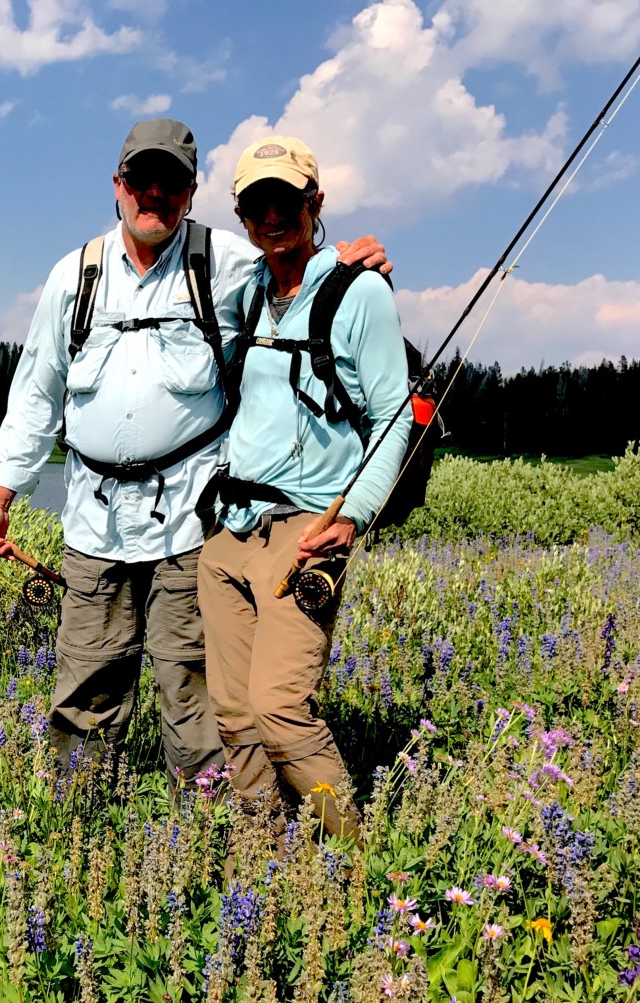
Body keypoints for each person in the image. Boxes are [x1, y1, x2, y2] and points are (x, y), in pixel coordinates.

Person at [0, 118, 388, 781]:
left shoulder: (226, 264)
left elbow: (298, 271)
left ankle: (205, 838)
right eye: (141, 180)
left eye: (171, 183)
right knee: (84, 688)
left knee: (195, 695)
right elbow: (35, 392)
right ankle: (77, 832)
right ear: (117, 186)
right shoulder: (73, 277)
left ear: (192, 193)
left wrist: (352, 263)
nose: (153, 194)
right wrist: (2, 498)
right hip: (93, 524)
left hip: (191, 524)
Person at [196, 135, 412, 838]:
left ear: (314, 204)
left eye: (286, 200)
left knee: (280, 705)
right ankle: (261, 859)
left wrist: (353, 518)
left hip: (311, 529)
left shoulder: (361, 292)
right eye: (256, 204)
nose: (272, 215)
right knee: (232, 711)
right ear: (243, 215)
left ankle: (350, 857)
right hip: (232, 532)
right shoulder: (246, 295)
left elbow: (390, 419)